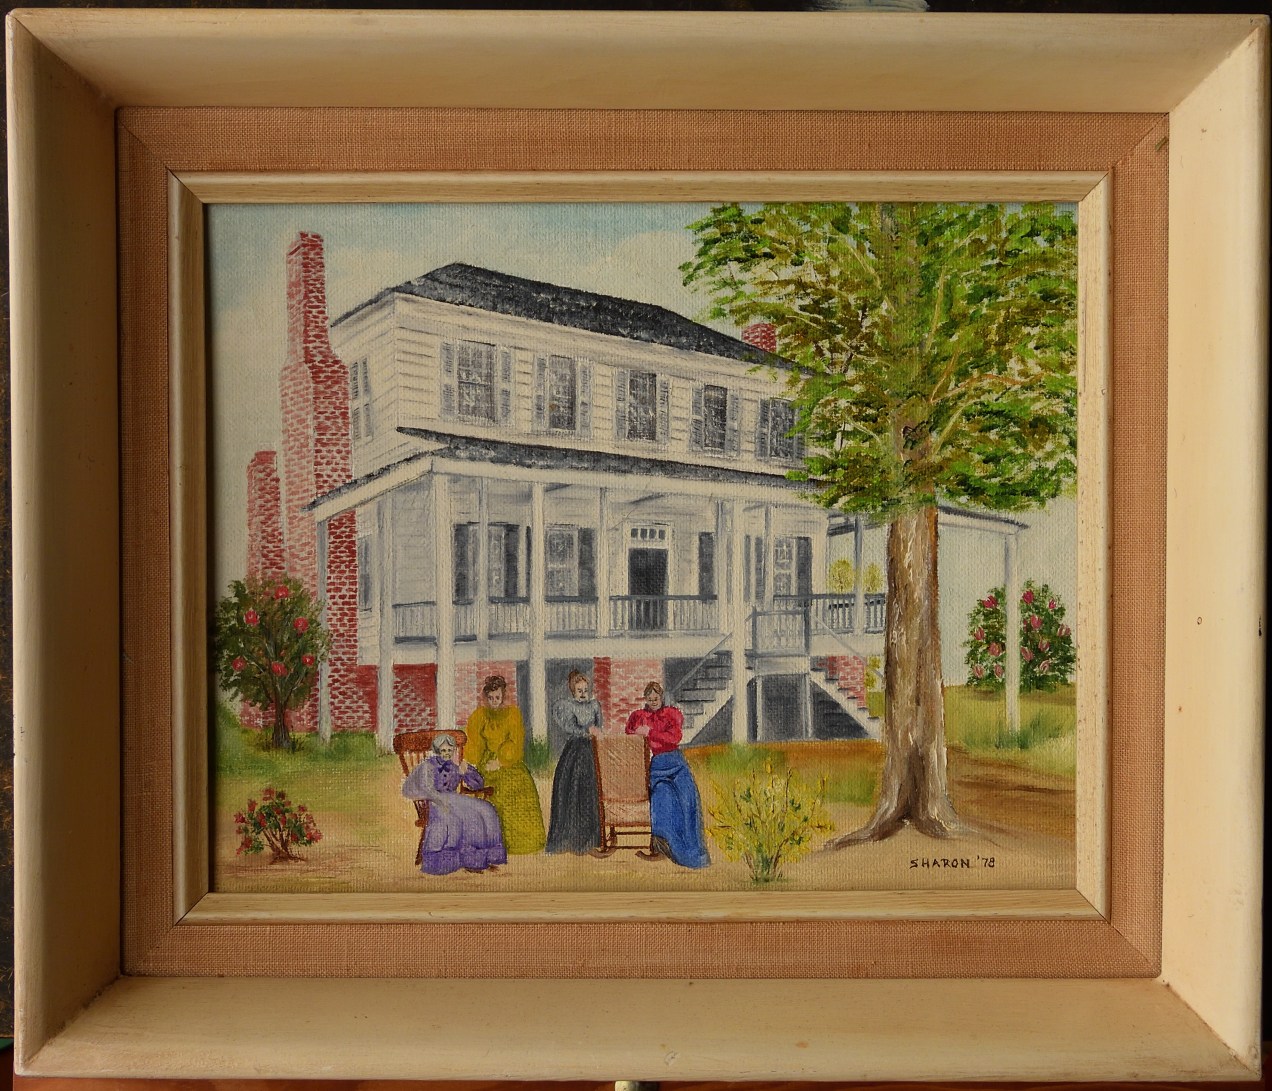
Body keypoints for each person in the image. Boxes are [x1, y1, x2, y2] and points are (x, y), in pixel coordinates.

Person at [625, 681, 711, 868]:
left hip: (677, 763)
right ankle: (665, 845)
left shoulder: (671, 713)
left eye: (656, 698)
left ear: (661, 697)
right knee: (662, 798)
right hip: (657, 766)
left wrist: (651, 732)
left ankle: (693, 854)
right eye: (649, 699)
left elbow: (675, 738)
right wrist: (639, 733)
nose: (653, 701)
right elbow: (629, 733)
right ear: (645, 699)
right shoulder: (639, 716)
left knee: (687, 800)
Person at [401, 733, 507, 876]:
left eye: (450, 750)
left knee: (486, 809)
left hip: (453, 798)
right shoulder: (428, 766)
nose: (447, 753)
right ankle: (447, 862)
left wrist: (466, 771)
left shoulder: (455, 764)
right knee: (463, 816)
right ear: (437, 750)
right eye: (443, 750)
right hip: (434, 800)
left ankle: (480, 859)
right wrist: (441, 800)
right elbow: (427, 789)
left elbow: (478, 784)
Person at [464, 675, 546, 855]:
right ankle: (496, 842)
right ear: (486, 697)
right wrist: (471, 761)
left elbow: (515, 742)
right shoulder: (479, 716)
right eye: (491, 698)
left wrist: (501, 761)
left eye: (497, 697)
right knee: (497, 790)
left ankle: (522, 840)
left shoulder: (512, 714)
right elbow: (475, 744)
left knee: (520, 785)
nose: (494, 701)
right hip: (487, 763)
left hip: (508, 761)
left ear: (503, 696)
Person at [545, 669, 603, 854]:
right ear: (573, 691)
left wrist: (596, 733)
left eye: (585, 690)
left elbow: (599, 726)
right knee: (572, 790)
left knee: (590, 792)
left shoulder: (594, 706)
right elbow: (571, 727)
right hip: (575, 752)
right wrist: (586, 731)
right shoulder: (567, 706)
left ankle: (590, 840)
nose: (583, 693)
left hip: (592, 751)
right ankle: (569, 839)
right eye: (579, 690)